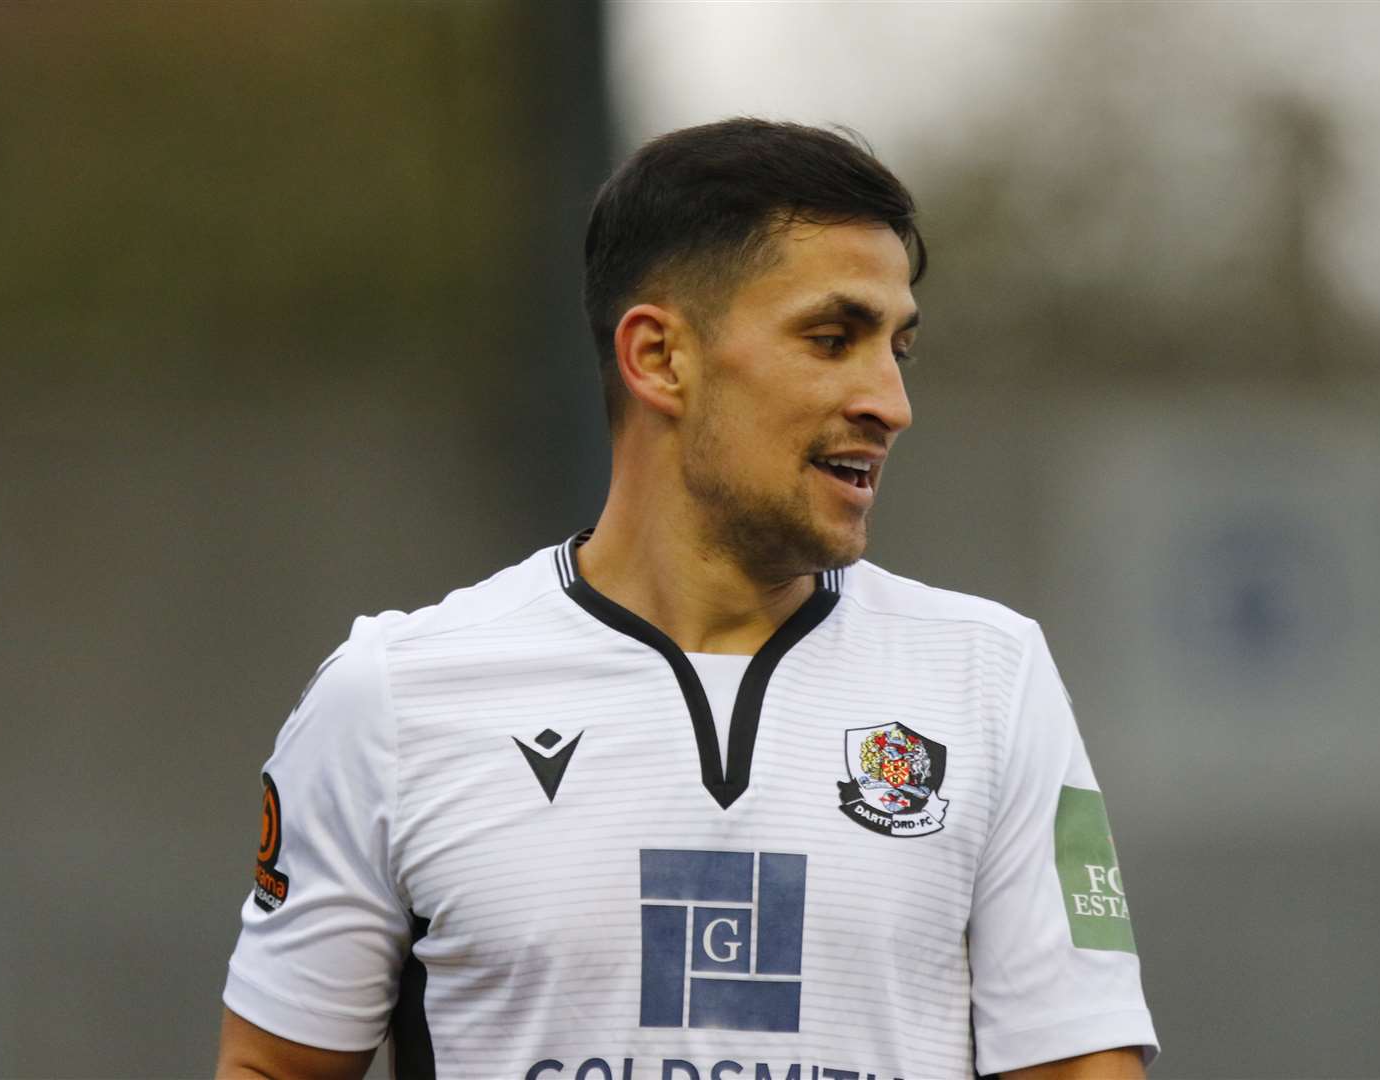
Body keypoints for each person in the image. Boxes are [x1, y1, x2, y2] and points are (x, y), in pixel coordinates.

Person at [216, 119, 1158, 1080]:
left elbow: (1083, 1068)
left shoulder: (991, 678)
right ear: (660, 357)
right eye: (833, 339)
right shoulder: (392, 695)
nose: (890, 402)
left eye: (897, 350)